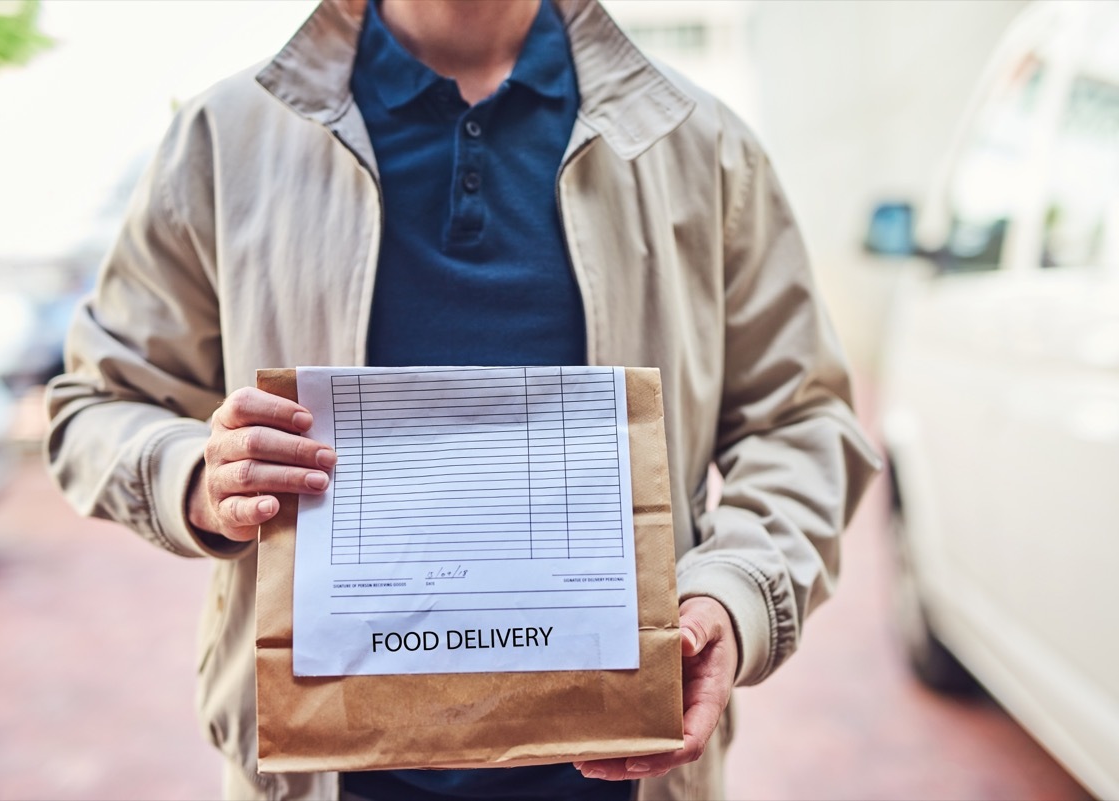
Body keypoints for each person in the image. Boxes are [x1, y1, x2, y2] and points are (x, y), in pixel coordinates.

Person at [45, 0, 880, 799]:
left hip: (624, 782)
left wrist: (734, 593)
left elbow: (800, 418)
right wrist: (197, 476)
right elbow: (97, 401)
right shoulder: (226, 140)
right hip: (322, 782)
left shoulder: (699, 147)